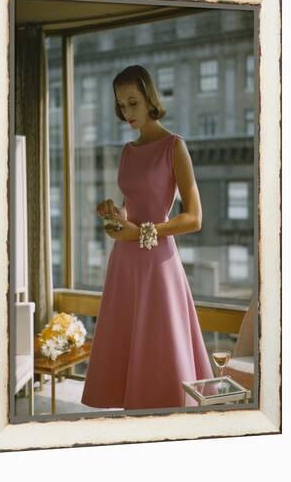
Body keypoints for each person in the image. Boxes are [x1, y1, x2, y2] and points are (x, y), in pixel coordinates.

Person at [80, 64, 214, 410]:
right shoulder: (127, 150)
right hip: (125, 262)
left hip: (158, 263)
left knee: (159, 346)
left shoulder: (174, 146)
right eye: (121, 105)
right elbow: (131, 209)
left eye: (133, 102)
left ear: (150, 99)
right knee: (127, 346)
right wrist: (114, 215)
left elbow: (195, 218)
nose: (126, 112)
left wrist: (144, 231)